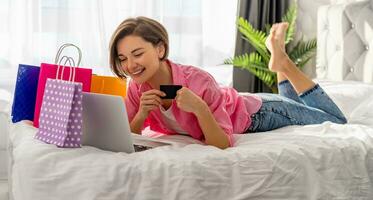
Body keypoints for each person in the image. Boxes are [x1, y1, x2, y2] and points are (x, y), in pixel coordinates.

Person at [109, 16, 347, 149]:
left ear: (160, 48)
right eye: (123, 59)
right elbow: (129, 133)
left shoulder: (198, 81)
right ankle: (279, 62)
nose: (130, 65)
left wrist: (200, 108)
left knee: (336, 121)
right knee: (293, 103)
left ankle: (283, 63)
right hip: (243, 103)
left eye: (137, 54)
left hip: (259, 113)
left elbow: (222, 143)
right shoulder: (136, 87)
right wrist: (141, 115)